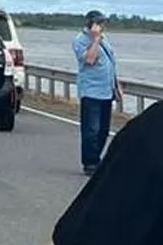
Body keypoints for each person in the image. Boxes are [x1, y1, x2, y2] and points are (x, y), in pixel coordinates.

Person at [50, 100, 163, 244]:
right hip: (93, 94)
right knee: (92, 128)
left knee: (98, 128)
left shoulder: (154, 127)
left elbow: (102, 218)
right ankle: (90, 160)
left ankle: (92, 160)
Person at [73, 9, 124, 174]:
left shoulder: (104, 40)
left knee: (103, 129)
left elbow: (110, 63)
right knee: (91, 129)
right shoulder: (80, 40)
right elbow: (89, 59)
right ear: (91, 24)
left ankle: (97, 158)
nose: (102, 26)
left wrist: (116, 86)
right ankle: (90, 162)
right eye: (99, 23)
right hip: (91, 91)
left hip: (106, 91)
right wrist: (95, 39)